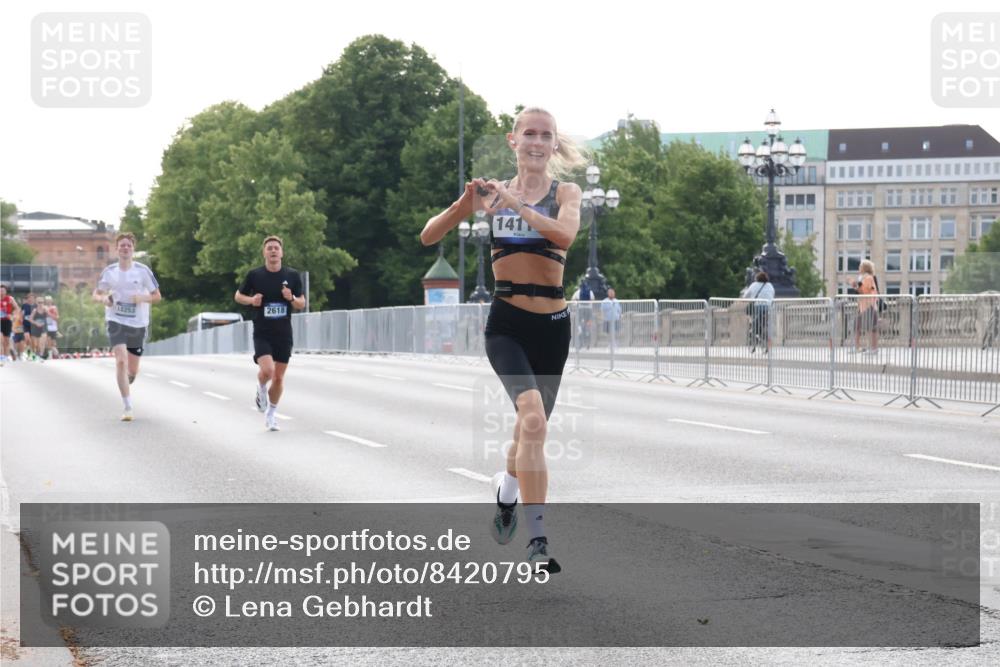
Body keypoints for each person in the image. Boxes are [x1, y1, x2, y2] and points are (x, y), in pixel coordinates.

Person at [421, 106, 585, 573]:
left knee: (527, 432)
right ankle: (537, 541)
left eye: (545, 135)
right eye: (528, 133)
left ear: (554, 145)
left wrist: (514, 205)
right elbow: (429, 235)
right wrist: (465, 202)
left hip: (553, 327)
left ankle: (507, 491)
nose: (536, 141)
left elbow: (565, 236)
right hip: (507, 323)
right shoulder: (491, 196)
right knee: (533, 422)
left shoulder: (565, 192)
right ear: (514, 141)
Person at [235, 235, 306, 432]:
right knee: (268, 371)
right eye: (269, 248)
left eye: (276, 248)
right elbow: (238, 296)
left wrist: (290, 297)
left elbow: (301, 303)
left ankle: (271, 414)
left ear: (281, 253)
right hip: (262, 331)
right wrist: (251, 301)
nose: (273, 251)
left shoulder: (292, 276)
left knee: (279, 378)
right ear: (264, 253)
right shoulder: (255, 275)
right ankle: (260, 389)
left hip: (284, 333)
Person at [93, 232, 162, 421]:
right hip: (116, 320)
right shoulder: (109, 272)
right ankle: (127, 407)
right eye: (122, 245)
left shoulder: (142, 271)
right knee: (120, 361)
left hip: (138, 323)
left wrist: (143, 298)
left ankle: (128, 377)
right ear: (117, 249)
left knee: (132, 370)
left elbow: (157, 296)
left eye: (128, 245)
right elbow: (96, 294)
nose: (125, 248)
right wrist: (104, 299)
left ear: (133, 249)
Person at [742, 271, 775, 353]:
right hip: (769, 308)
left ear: (757, 278)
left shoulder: (753, 285)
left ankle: (755, 340)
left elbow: (745, 296)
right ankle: (767, 343)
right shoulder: (770, 285)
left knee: (755, 325)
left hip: (758, 307)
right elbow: (773, 295)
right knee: (765, 325)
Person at [855, 259, 879, 354]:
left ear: (864, 268)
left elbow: (864, 291)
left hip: (869, 306)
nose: (859, 268)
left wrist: (855, 286)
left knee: (871, 329)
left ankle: (873, 349)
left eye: (860, 266)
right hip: (863, 307)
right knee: (859, 327)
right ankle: (861, 348)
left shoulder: (868, 278)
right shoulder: (863, 278)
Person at [0, 284, 18, 365]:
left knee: (6, 341)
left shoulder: (10, 299)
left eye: (3, 290)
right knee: (1, 339)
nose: (1, 292)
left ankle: (6, 356)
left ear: (6, 291)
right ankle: (1, 356)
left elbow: (17, 308)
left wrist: (13, 315)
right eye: (0, 290)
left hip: (7, 321)